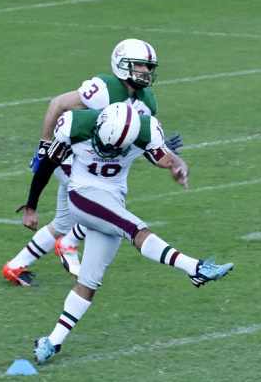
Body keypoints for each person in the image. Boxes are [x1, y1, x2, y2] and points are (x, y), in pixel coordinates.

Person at [19, 103, 234, 364]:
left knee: (89, 283)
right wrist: (31, 205)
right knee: (135, 229)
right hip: (82, 194)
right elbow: (46, 166)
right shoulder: (75, 124)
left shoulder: (146, 130)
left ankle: (52, 342)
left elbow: (168, 158)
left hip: (112, 199)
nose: (107, 152)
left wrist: (178, 167)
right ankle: (195, 268)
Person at [2, 38, 182, 285]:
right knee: (99, 207)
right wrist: (45, 145)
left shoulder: (147, 101)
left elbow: (129, 138)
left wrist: (159, 151)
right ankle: (67, 245)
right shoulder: (104, 89)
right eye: (140, 65)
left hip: (96, 162)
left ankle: (15, 266)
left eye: (149, 67)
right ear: (122, 64)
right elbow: (58, 104)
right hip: (74, 157)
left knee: (66, 220)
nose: (146, 72)